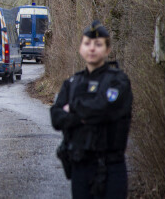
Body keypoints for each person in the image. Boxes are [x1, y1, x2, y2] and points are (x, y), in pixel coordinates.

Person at [51, 20, 133, 199]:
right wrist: (87, 114)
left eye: (98, 44)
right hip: (80, 168)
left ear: (107, 50)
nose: (92, 48)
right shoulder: (72, 83)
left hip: (111, 166)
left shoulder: (119, 81)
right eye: (87, 43)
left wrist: (72, 109)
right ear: (80, 48)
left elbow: (105, 109)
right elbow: (56, 117)